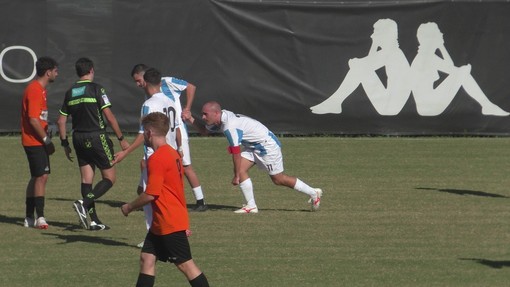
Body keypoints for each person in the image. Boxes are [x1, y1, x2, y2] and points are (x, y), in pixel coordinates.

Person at [183, 101, 323, 213]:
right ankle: (251, 206)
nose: (203, 117)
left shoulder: (229, 126)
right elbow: (204, 131)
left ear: (216, 113)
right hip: (253, 146)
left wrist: (236, 175)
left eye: (205, 114)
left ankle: (313, 193)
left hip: (266, 146)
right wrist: (190, 118)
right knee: (243, 170)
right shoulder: (220, 119)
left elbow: (236, 152)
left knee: (278, 179)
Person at [121, 112, 210, 287]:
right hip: (161, 222)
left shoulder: (158, 158)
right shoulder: (173, 153)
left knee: (186, 265)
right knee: (147, 259)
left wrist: (129, 207)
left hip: (170, 222)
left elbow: (150, 194)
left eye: (143, 132)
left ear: (149, 132)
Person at [57, 57, 130, 231]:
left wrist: (65, 144)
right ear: (91, 70)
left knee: (86, 180)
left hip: (77, 138)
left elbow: (61, 121)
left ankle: (94, 221)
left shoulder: (70, 92)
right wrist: (121, 139)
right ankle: (84, 202)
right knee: (109, 178)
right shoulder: (96, 89)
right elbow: (110, 117)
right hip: (97, 137)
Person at [114, 67, 182, 246]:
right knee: (169, 195)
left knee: (150, 195)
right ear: (160, 83)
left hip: (156, 155)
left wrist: (125, 153)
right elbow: (177, 128)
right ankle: (173, 230)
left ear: (145, 82)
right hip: (172, 153)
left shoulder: (149, 104)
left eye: (139, 81)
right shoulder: (170, 100)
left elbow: (143, 134)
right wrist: (179, 149)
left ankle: (152, 237)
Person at [126, 64, 207, 212]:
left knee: (185, 166)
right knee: (147, 163)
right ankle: (145, 193)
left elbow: (191, 87)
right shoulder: (149, 93)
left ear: (145, 77)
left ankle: (200, 201)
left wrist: (187, 108)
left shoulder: (166, 82)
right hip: (162, 135)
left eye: (138, 80)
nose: (137, 84)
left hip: (176, 132)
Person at [310, 18, 411, 116]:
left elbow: (364, 64)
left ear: (385, 35)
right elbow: (367, 63)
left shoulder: (392, 53)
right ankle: (334, 102)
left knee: (358, 67)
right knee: (359, 67)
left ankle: (334, 103)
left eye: (376, 33)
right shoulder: (393, 52)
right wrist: (359, 62)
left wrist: (373, 45)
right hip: (389, 105)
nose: (372, 36)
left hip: (389, 107)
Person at [410, 22, 509, 116]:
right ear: (431, 37)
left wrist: (441, 46)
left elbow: (450, 67)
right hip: (429, 107)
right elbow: (452, 69)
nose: (441, 34)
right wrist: (463, 70)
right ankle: (487, 106)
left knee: (462, 72)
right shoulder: (426, 58)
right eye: (438, 32)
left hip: (428, 107)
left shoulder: (427, 56)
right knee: (462, 72)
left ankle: (487, 106)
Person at [21, 56, 59, 229]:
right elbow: (33, 120)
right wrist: (47, 140)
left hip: (35, 140)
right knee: (42, 176)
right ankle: (40, 217)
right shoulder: (35, 89)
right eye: (55, 71)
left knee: (37, 176)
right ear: (48, 72)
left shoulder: (40, 89)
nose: (57, 74)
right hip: (35, 141)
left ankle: (29, 216)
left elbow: (39, 118)